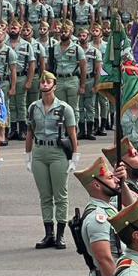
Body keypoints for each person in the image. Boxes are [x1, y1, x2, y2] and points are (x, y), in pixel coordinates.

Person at [26, 71, 79, 249]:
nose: (45, 84)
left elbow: (72, 134)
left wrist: (74, 156)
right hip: (40, 151)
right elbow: (30, 132)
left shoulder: (65, 108)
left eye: (48, 81)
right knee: (45, 195)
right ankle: (48, 233)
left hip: (58, 153)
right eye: (42, 81)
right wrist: (28, 155)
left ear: (54, 86)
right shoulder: (33, 107)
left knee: (60, 194)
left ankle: (60, 235)